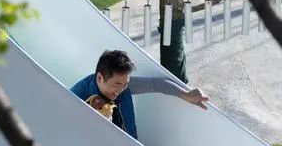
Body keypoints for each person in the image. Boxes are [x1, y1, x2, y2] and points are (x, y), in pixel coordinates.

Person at [71, 49, 208, 141]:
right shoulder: (77, 96)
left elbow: (156, 84)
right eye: (117, 84)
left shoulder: (124, 86)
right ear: (100, 77)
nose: (121, 90)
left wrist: (186, 95)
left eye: (125, 84)